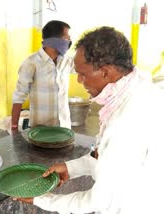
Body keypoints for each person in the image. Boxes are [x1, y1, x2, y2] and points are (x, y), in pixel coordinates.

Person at [14, 26, 164, 213]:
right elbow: (108, 159)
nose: (78, 80)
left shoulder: (126, 123)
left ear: (105, 73)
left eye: (82, 74)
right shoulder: (139, 91)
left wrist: (43, 199)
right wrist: (71, 168)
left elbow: (98, 201)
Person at [11, 20, 73, 134]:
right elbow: (18, 97)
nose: (70, 41)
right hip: (41, 130)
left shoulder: (67, 61)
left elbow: (85, 69)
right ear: (55, 41)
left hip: (64, 128)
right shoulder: (31, 63)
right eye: (67, 37)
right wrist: (14, 127)